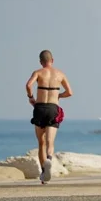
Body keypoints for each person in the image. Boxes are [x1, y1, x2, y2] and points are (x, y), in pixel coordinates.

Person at [25, 50, 73, 184]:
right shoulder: (60, 74)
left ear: (41, 62)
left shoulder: (38, 72)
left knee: (41, 143)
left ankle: (44, 174)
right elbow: (70, 92)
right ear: (52, 60)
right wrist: (58, 95)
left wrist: (31, 98)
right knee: (50, 142)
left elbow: (28, 85)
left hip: (39, 108)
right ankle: (49, 159)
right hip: (53, 108)